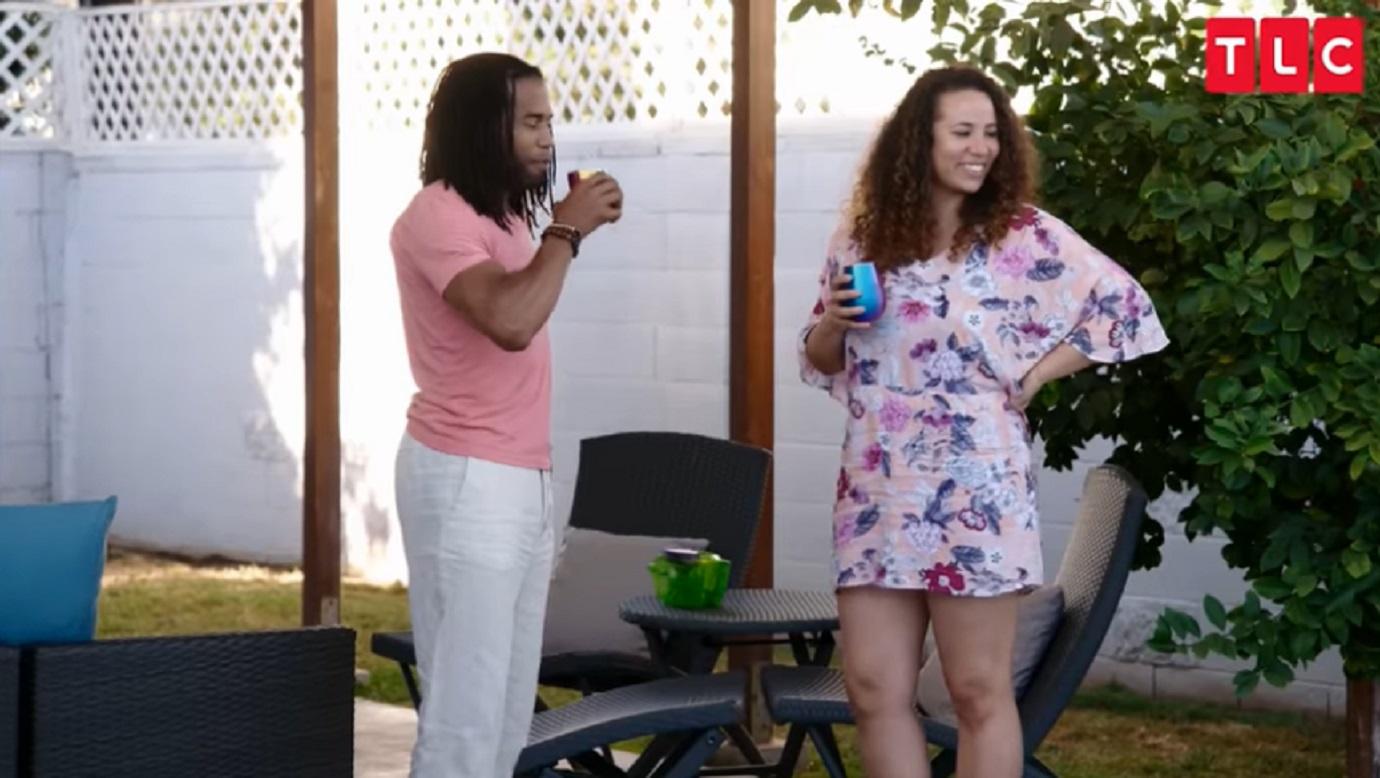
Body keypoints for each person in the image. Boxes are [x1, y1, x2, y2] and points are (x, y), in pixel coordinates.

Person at [798, 66, 1168, 778]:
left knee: (975, 690)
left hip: (977, 493)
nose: (981, 147)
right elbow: (820, 355)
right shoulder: (864, 236)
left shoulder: (1020, 236)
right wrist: (835, 322)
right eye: (962, 132)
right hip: (877, 491)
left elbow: (1124, 308)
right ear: (918, 140)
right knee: (874, 689)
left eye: (991, 134)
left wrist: (1036, 373)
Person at [389, 52, 623, 777]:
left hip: (518, 479)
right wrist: (567, 233)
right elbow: (510, 319)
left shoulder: (502, 219)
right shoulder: (437, 214)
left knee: (506, 716)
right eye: (530, 122)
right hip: (468, 479)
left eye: (549, 121)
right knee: (466, 712)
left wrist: (556, 232)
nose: (547, 137)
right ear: (483, 126)